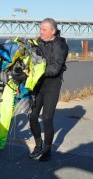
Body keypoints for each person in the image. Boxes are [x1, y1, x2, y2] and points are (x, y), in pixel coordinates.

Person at [28, 18, 69, 162]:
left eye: (44, 30)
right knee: (32, 116)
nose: (40, 32)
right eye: (40, 29)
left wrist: (36, 71)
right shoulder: (37, 43)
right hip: (38, 84)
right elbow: (30, 61)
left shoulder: (61, 45)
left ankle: (47, 150)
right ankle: (38, 145)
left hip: (52, 84)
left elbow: (55, 68)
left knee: (47, 118)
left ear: (53, 31)